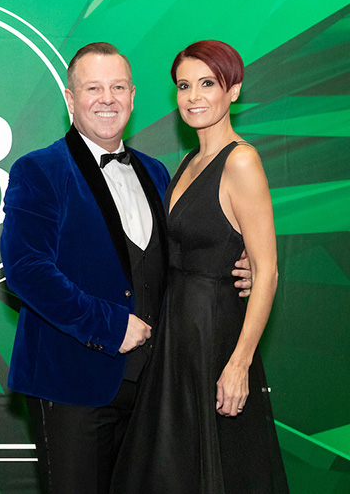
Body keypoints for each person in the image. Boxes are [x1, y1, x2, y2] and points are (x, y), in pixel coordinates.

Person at [0, 42, 251, 493]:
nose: (107, 98)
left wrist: (236, 267)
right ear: (70, 99)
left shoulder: (158, 173)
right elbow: (25, 269)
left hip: (156, 387)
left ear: (133, 97)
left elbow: (177, 261)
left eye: (118, 87)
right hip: (72, 384)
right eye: (93, 88)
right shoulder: (39, 170)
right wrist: (110, 326)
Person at [110, 40, 288, 493]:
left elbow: (266, 271)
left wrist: (239, 364)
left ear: (234, 90)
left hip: (215, 336)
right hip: (176, 338)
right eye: (184, 85)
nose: (193, 97)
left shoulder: (241, 161)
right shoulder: (190, 161)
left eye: (207, 84)